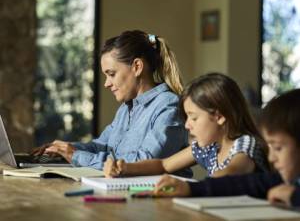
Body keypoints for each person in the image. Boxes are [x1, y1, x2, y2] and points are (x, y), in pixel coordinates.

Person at [32, 30, 190, 171]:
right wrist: (64, 150)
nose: (106, 83)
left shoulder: (169, 106)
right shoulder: (126, 108)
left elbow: (142, 162)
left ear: (137, 66)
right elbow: (101, 146)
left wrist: (75, 155)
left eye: (111, 74)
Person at [153, 89, 300, 208]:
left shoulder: (245, 144)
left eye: (279, 148)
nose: (271, 158)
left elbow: (233, 171)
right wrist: (190, 189)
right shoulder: (279, 179)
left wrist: (294, 195)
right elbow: (243, 183)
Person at [103, 73, 269, 178]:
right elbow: (164, 164)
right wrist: (125, 167)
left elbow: (230, 173)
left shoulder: (245, 145)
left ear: (219, 117)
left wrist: (187, 188)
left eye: (193, 118)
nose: (187, 125)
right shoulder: (209, 147)